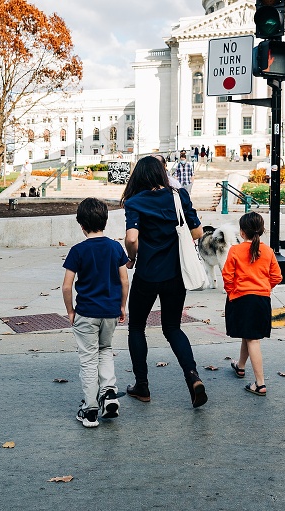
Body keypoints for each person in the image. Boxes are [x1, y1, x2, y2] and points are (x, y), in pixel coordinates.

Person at [121, 156, 208, 408]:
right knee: (172, 328)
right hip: (175, 274)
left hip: (147, 274)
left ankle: (142, 386)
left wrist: (131, 257)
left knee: (136, 327)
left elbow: (132, 237)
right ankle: (192, 377)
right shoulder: (178, 196)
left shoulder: (134, 201)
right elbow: (197, 232)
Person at [62, 198, 130, 428]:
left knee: (88, 359)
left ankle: (90, 409)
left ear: (81, 224)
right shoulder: (115, 247)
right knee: (106, 350)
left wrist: (70, 311)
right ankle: (109, 393)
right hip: (110, 312)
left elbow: (66, 285)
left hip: (86, 313)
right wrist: (122, 306)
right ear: (106, 221)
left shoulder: (78, 251)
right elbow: (124, 280)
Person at [223, 212, 282, 396]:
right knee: (249, 334)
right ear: (262, 230)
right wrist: (264, 288)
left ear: (242, 232)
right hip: (261, 299)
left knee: (252, 339)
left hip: (241, 298)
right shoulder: (268, 251)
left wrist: (233, 292)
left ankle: (260, 383)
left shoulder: (235, 250)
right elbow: (277, 276)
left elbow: (227, 277)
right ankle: (240, 366)